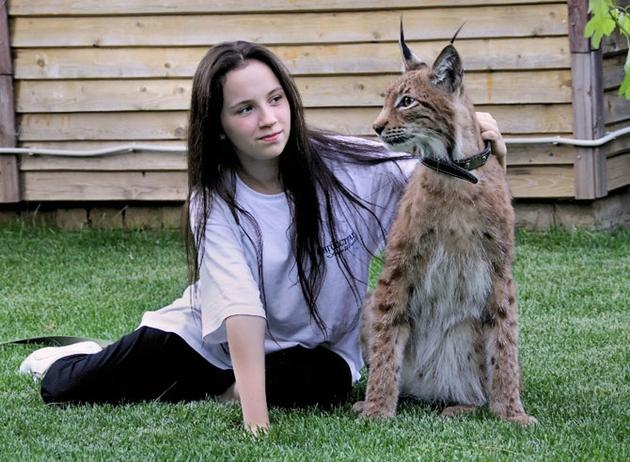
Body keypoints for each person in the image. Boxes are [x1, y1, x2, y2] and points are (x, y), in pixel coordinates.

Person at [19, 41, 507, 435]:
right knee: (70, 389)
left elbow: (449, 159)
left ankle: (222, 387)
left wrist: (478, 124)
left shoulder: (355, 167)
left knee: (325, 385)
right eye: (245, 109)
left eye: (275, 99)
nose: (268, 119)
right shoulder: (214, 202)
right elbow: (240, 311)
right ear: (220, 127)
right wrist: (256, 420)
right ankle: (78, 355)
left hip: (310, 355)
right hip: (206, 341)